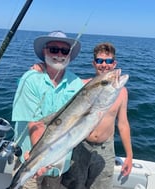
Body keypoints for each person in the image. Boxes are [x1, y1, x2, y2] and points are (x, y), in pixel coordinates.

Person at [32, 42, 133, 189]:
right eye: (99, 61)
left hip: (105, 148)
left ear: (114, 63)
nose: (104, 65)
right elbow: (60, 78)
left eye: (109, 61)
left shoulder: (122, 92)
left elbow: (123, 124)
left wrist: (129, 156)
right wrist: (41, 67)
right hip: (79, 145)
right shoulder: (81, 85)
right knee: (73, 185)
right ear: (94, 63)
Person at [12, 30, 84, 189]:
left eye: (65, 50)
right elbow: (34, 124)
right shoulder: (30, 79)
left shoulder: (76, 83)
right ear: (44, 51)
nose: (59, 54)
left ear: (69, 54)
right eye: (53, 49)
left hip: (59, 165)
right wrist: (39, 161)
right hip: (30, 161)